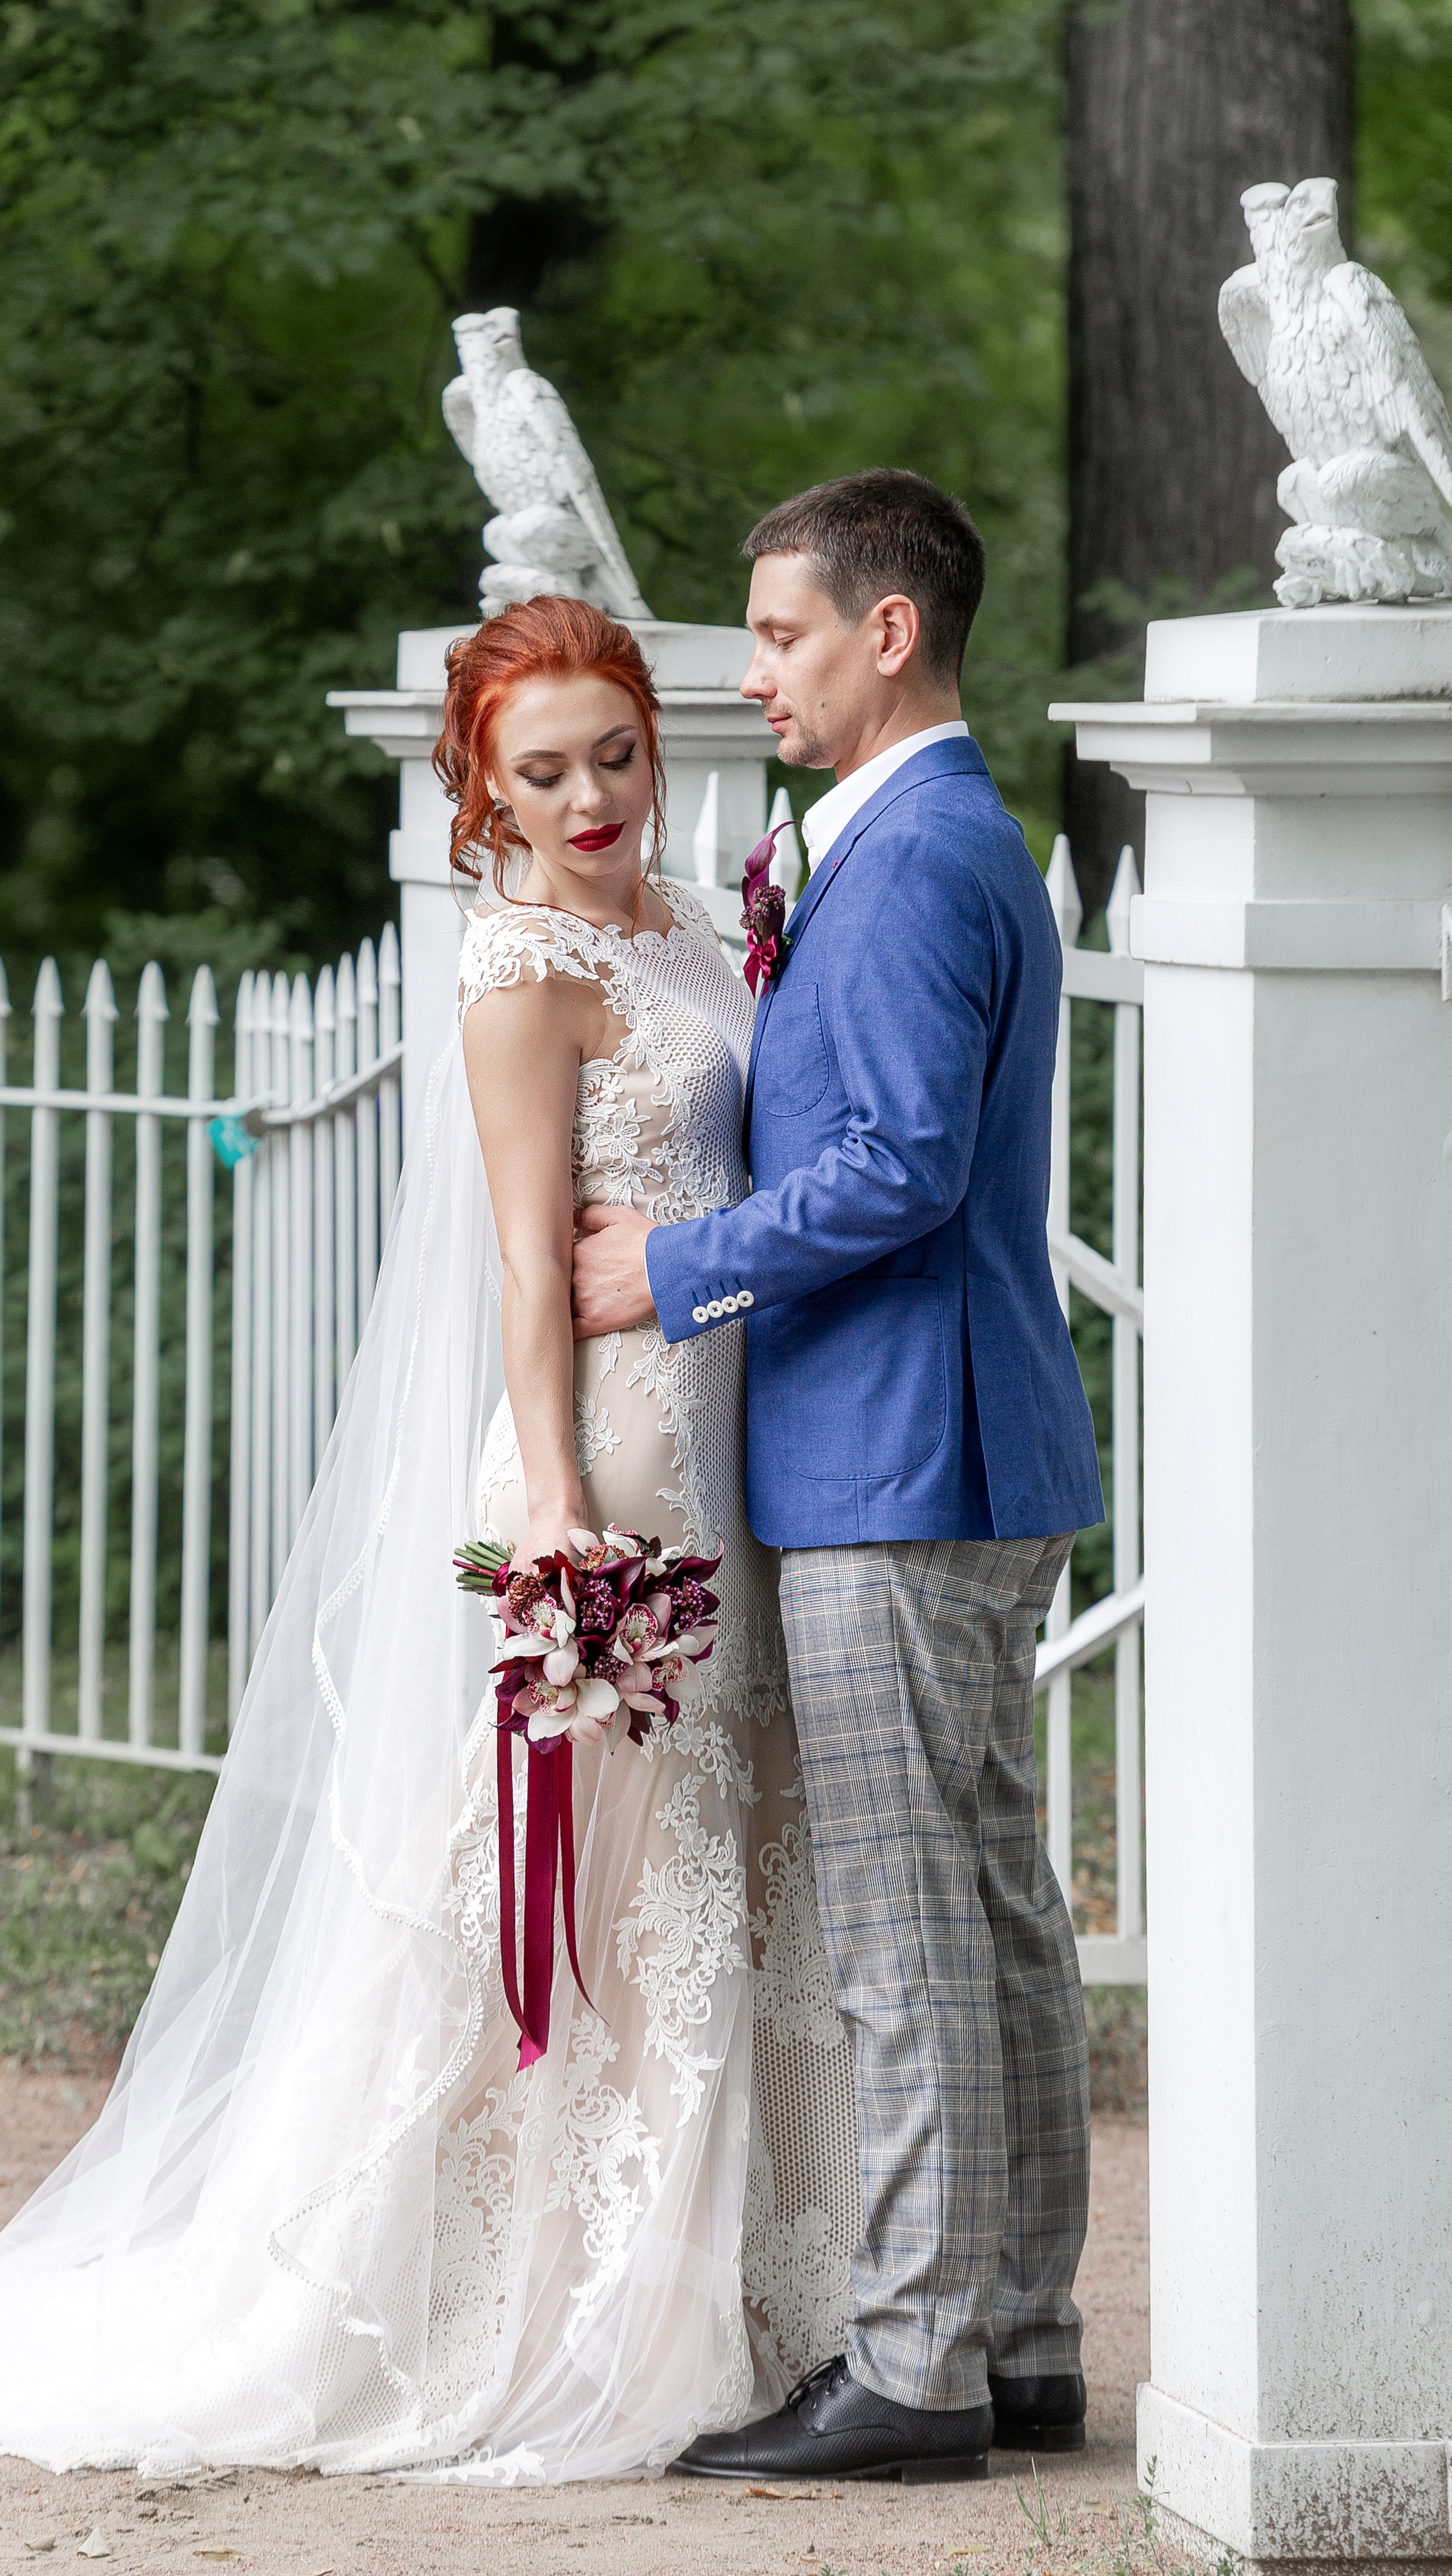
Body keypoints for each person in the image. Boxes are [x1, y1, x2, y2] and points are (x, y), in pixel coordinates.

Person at [0, 597, 871, 2484]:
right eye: (541, 770)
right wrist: (553, 1508)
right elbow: (527, 1267)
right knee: (565, 1906)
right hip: (610, 1468)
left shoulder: (698, 922)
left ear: (652, 735)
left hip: (735, 1446)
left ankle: (742, 2291)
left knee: (700, 1879)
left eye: (614, 750)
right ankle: (545, 2308)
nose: (592, 794)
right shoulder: (521, 971)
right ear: (485, 786)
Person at [573, 470, 1103, 2482]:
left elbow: (895, 1169)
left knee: (906, 1923)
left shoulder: (911, 860)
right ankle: (1020, 2337)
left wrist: (669, 1265)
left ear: (890, 634)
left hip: (899, 1458)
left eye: (785, 632)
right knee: (989, 1904)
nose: (757, 671)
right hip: (959, 1447)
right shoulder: (931, 840)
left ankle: (916, 2367)